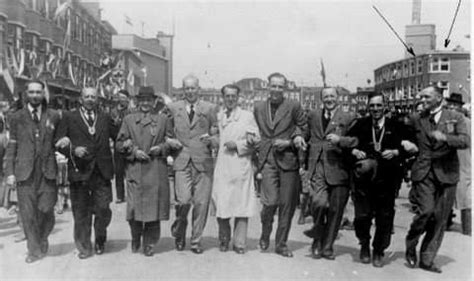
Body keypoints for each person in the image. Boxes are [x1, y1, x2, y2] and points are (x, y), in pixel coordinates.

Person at [347, 92, 416, 267]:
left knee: (384, 217)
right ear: (368, 107)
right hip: (364, 180)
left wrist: (396, 152)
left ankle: (378, 250)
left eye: (379, 105)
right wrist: (353, 152)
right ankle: (364, 244)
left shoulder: (397, 125)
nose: (376, 109)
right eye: (373, 106)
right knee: (362, 216)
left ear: (385, 106)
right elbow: (348, 144)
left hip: (388, 178)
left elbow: (413, 148)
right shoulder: (361, 124)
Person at [405, 86, 469, 273]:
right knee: (426, 211)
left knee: (440, 219)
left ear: (439, 97)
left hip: (447, 173)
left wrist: (446, 138)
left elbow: (465, 141)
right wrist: (406, 143)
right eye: (421, 96)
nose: (422, 99)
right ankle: (412, 241)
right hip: (424, 172)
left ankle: (427, 258)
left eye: (426, 96)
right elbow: (403, 134)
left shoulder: (455, 117)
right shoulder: (417, 118)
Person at [55, 87, 118, 259]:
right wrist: (73, 150)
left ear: (97, 99)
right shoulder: (69, 117)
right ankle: (84, 247)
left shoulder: (105, 117)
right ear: (81, 99)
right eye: (87, 96)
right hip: (79, 171)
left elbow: (119, 136)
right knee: (81, 212)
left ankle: (100, 238)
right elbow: (58, 142)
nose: (90, 99)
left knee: (103, 209)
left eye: (93, 96)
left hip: (102, 171)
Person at [4, 80, 61, 263]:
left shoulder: (53, 116)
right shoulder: (16, 117)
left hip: (48, 171)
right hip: (24, 172)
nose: (35, 95)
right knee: (28, 214)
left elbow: (59, 140)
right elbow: (12, 147)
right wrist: (10, 173)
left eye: (38, 92)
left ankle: (42, 237)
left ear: (43, 94)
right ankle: (34, 250)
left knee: (47, 211)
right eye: (32, 92)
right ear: (26, 94)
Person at [253, 72, 307, 257]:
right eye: (273, 86)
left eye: (280, 87)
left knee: (287, 205)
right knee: (270, 202)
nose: (276, 90)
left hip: (288, 161)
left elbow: (302, 126)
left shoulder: (293, 106)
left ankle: (281, 243)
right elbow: (254, 129)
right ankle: (265, 230)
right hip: (267, 159)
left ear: (284, 88)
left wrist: (293, 140)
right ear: (268, 87)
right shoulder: (259, 107)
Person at [116, 86, 171, 257]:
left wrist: (161, 148)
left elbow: (171, 143)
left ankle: (150, 243)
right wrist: (133, 152)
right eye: (142, 100)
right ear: (137, 101)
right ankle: (136, 236)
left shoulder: (163, 119)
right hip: (136, 169)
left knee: (153, 211)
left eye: (149, 100)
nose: (145, 103)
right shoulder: (129, 119)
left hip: (155, 168)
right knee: (134, 209)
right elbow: (119, 144)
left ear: (154, 101)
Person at [303, 87, 357, 260]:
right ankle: (317, 237)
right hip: (318, 165)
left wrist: (340, 140)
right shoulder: (312, 115)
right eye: (326, 96)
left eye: (332, 96)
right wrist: (298, 137)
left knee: (336, 210)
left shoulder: (348, 117)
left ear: (338, 98)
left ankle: (326, 246)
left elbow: (357, 140)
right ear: (321, 99)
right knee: (318, 202)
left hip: (340, 169)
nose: (329, 99)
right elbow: (303, 132)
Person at [167, 75, 219, 254]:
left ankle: (196, 241)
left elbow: (217, 134)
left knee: (201, 204)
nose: (190, 91)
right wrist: (169, 141)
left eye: (192, 88)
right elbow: (166, 132)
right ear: (182, 90)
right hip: (182, 161)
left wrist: (212, 139)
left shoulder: (210, 108)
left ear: (199, 89)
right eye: (186, 88)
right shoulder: (173, 108)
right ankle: (180, 230)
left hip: (203, 162)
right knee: (182, 201)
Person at [212, 84, 260, 254]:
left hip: (240, 165)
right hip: (223, 165)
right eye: (227, 96)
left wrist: (239, 145)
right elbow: (215, 137)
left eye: (233, 96)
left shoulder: (247, 116)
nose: (230, 99)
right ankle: (224, 240)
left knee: (241, 206)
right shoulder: (218, 116)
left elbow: (256, 140)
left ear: (238, 97)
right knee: (222, 203)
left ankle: (239, 243)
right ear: (223, 98)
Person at [445, 93, 471, 236]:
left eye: (455, 105)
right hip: (449, 164)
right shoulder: (446, 122)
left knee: (466, 199)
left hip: (464, 164)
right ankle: (445, 224)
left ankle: (468, 229)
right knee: (446, 196)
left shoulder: (467, 123)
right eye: (450, 105)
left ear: (461, 107)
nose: (452, 108)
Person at [110, 89, 131, 204]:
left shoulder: (132, 111)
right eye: (120, 97)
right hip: (118, 144)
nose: (122, 100)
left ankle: (132, 193)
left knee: (131, 170)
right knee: (118, 171)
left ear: (127, 99)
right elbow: (111, 128)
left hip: (130, 143)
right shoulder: (113, 112)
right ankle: (120, 195)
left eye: (124, 97)